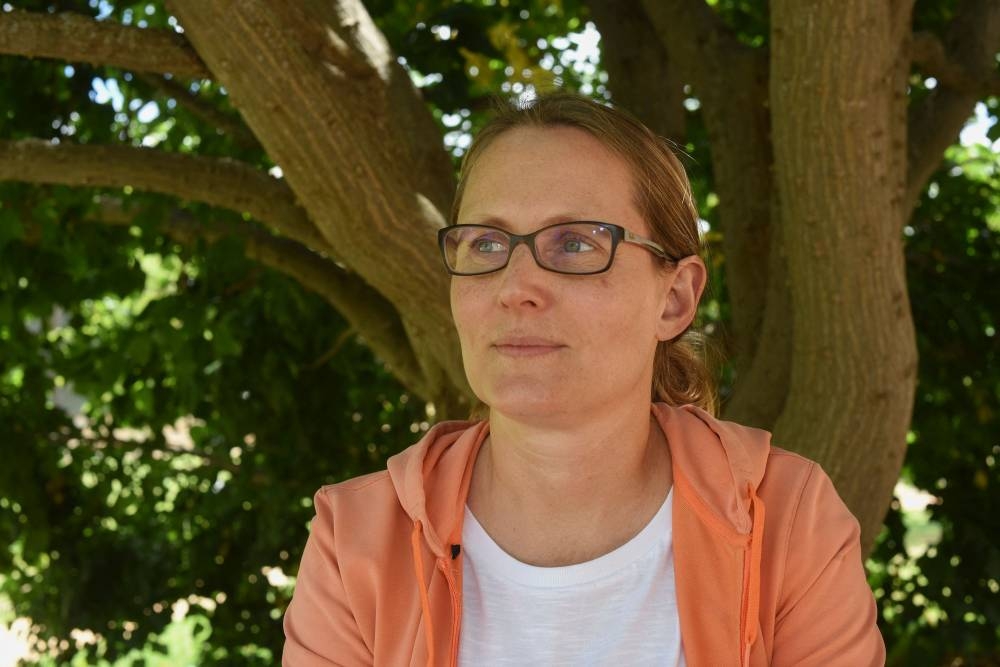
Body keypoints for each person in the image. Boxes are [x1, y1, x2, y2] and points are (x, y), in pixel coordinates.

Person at [281, 91, 885, 666]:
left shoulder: (785, 518)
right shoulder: (358, 540)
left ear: (675, 299)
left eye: (574, 243)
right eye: (487, 245)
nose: (516, 289)